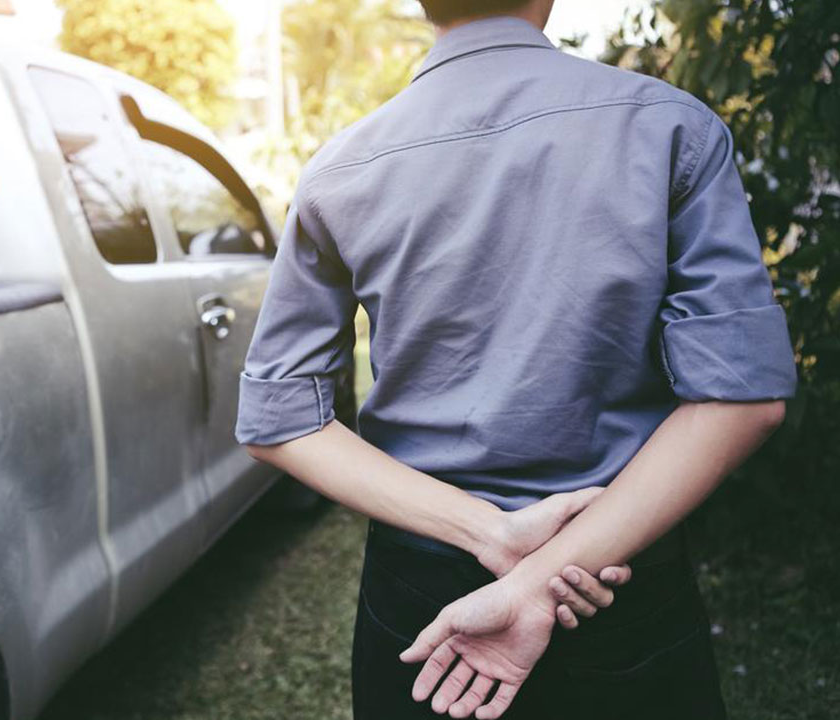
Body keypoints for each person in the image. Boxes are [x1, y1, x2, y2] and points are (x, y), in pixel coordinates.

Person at [233, 0, 799, 718]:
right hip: (616, 581)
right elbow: (741, 398)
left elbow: (278, 422)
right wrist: (546, 574)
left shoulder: (340, 170)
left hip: (424, 600)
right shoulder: (670, 126)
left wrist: (491, 536)